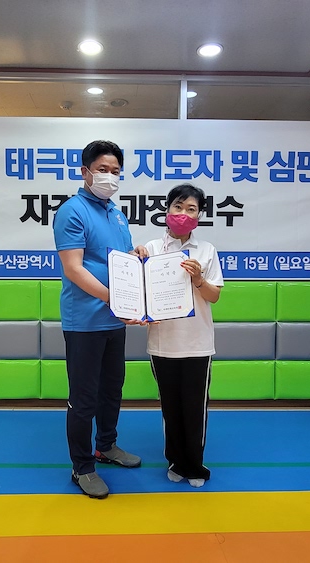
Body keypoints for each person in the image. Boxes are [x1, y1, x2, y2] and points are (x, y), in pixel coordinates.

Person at [53, 139, 148, 499]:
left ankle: (106, 446)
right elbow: (74, 268)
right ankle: (82, 467)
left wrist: (135, 254)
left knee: (112, 390)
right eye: (103, 169)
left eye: (115, 171)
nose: (110, 176)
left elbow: (118, 259)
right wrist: (115, 298)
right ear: (85, 171)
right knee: (84, 398)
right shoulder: (72, 211)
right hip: (84, 322)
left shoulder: (116, 213)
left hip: (115, 321)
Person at [144, 183, 224, 488]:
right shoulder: (151, 249)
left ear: (199, 215)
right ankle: (175, 461)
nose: (183, 214)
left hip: (197, 343)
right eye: (178, 206)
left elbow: (214, 296)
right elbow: (140, 294)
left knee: (194, 408)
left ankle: (195, 464)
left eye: (191, 209)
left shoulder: (206, 250)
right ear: (167, 210)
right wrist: (135, 261)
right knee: (170, 407)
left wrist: (198, 278)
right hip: (162, 343)